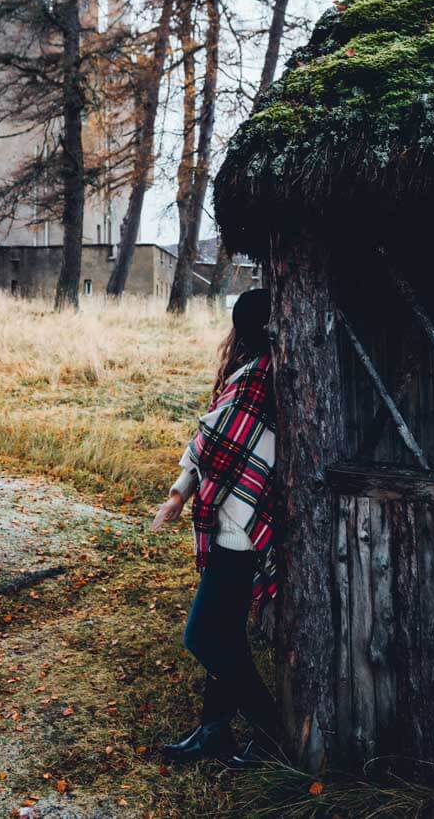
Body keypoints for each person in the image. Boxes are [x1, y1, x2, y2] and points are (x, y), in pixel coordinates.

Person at [152, 288, 280, 768]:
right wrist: (178, 494)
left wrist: (181, 492)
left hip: (241, 528)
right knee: (226, 631)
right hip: (237, 521)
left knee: (203, 636)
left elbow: (213, 444)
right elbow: (215, 442)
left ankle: (271, 730)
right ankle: (214, 731)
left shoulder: (256, 377)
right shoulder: (254, 374)